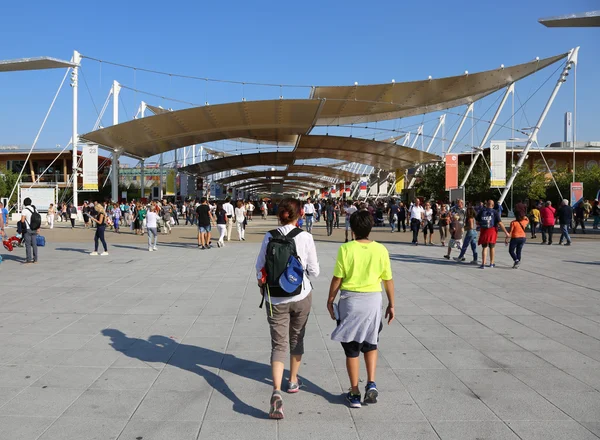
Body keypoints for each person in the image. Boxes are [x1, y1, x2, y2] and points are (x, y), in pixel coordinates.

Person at [255, 198, 320, 419]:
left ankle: (276, 391)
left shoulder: (269, 236)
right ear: (300, 214)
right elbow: (314, 271)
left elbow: (259, 267)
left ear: (279, 214)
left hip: (274, 298)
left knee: (278, 343)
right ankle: (292, 380)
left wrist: (263, 286)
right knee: (296, 338)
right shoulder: (306, 237)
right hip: (301, 295)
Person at [327, 210, 394, 409]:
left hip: (351, 302)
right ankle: (371, 383)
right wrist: (392, 304)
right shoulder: (381, 249)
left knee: (352, 348)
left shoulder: (346, 249)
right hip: (373, 301)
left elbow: (338, 278)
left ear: (353, 229)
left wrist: (330, 299)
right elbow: (387, 279)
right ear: (370, 227)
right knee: (371, 343)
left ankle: (355, 392)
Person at [476, 200, 509, 268]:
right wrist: (506, 232)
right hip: (492, 230)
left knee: (484, 247)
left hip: (484, 230)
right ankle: (491, 263)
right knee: (492, 247)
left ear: (487, 204)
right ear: (493, 205)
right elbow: (500, 223)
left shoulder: (482, 211)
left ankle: (483, 263)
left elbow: (477, 221)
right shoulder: (495, 212)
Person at [20, 198, 39, 264]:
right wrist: (38, 228)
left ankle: (29, 259)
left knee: (28, 244)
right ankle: (35, 259)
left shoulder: (24, 210)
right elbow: (38, 219)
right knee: (34, 244)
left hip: (27, 229)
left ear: (24, 203)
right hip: (35, 228)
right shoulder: (35, 209)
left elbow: (22, 220)